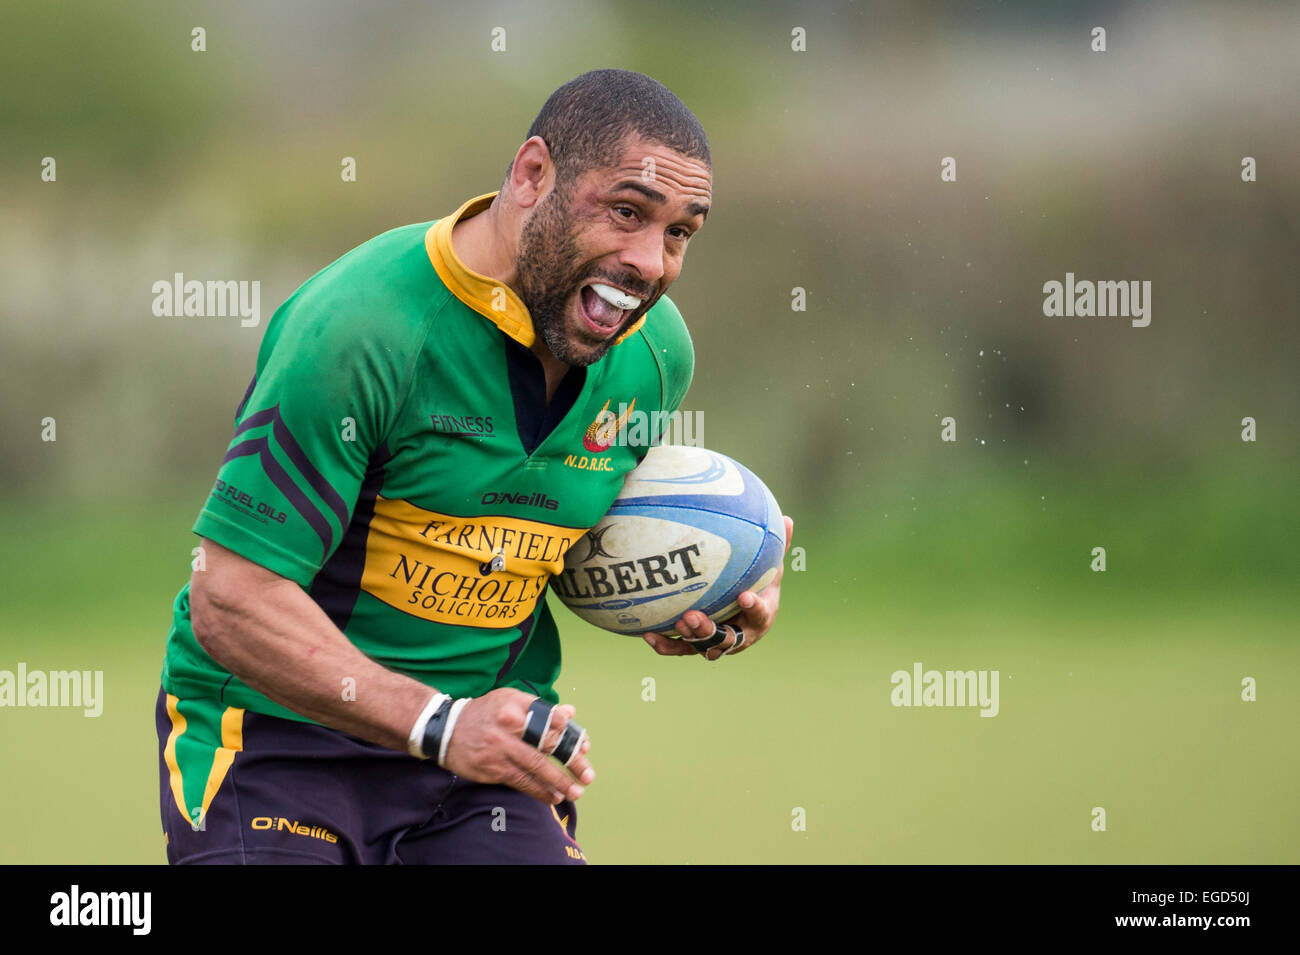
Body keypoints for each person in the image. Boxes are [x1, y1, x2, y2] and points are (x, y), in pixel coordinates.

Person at [155, 68, 791, 865]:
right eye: (626, 211)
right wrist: (441, 724)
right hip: (278, 745)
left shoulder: (656, 358)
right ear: (532, 176)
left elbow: (547, 537)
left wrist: (701, 587)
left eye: (679, 233)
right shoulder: (360, 329)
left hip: (484, 760)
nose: (650, 262)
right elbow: (230, 597)